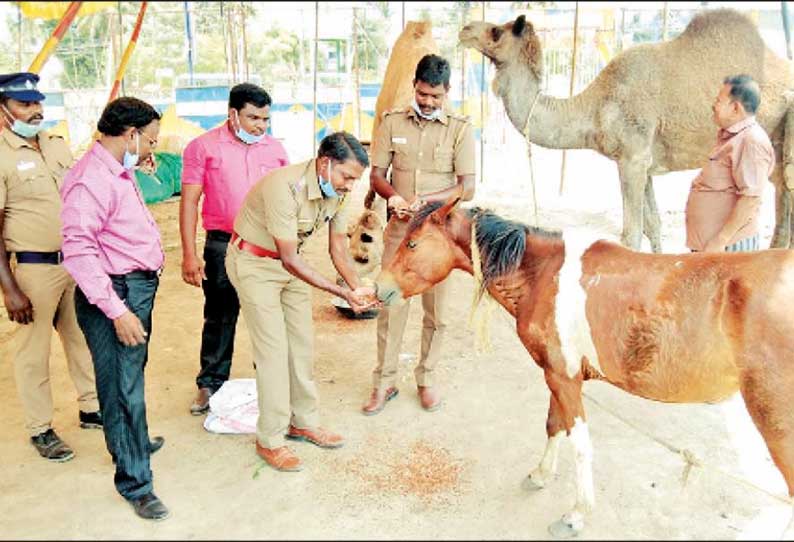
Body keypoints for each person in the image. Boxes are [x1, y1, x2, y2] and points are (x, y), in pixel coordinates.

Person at [226, 131, 377, 472]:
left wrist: (358, 286)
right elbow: (289, 259)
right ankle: (270, 440)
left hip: (290, 266)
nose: (350, 186)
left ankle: (303, 422)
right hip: (254, 264)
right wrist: (342, 294)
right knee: (273, 352)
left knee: (301, 346)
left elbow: (337, 246)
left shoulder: (335, 192)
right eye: (347, 177)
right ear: (325, 163)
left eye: (355, 180)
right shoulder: (284, 187)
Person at [61, 97, 169, 521]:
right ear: (131, 134)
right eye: (150, 141)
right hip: (115, 293)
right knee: (123, 390)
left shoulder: (116, 170)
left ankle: (130, 442)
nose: (151, 150)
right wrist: (117, 310)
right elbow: (79, 250)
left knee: (129, 380)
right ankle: (136, 483)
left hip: (132, 288)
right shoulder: (91, 180)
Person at [363, 54, 475, 415]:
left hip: (440, 239)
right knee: (391, 306)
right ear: (415, 86)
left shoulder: (459, 128)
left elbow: (467, 187)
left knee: (437, 314)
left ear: (447, 92)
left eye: (435, 97)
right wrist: (392, 196)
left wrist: (427, 200)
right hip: (399, 232)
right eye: (423, 94)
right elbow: (376, 174)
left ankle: (426, 378)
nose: (427, 102)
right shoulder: (392, 121)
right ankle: (384, 383)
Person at [0, 71, 101, 463]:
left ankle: (92, 407)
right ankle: (40, 428)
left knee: (83, 339)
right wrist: (9, 288)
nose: (35, 110)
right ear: (4, 110)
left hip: (74, 261)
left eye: (37, 102)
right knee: (33, 352)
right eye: (24, 104)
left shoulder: (56, 144)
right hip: (32, 269)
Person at [180, 83, 289, 416]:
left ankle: (272, 385)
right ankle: (209, 383)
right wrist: (189, 253)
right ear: (232, 114)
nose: (260, 126)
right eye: (253, 117)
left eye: (265, 119)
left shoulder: (275, 150)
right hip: (221, 244)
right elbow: (189, 202)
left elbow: (287, 198)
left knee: (268, 315)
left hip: (266, 246)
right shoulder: (202, 147)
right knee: (219, 315)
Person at [686, 74, 774, 253]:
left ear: (735, 108)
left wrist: (720, 241)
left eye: (719, 100)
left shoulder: (751, 141)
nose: (714, 105)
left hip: (728, 249)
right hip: (714, 247)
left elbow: (750, 198)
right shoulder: (733, 138)